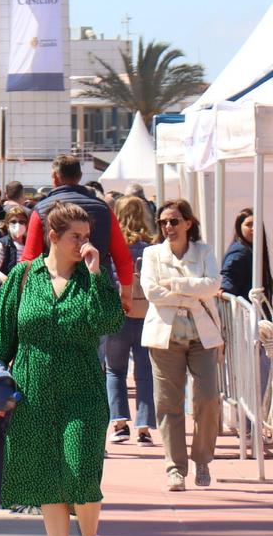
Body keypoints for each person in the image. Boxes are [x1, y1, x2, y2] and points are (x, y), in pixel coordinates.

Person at [0, 201, 125, 536]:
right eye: (76, 237)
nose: (84, 244)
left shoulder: (92, 276)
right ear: (53, 237)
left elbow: (109, 320)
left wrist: (94, 275)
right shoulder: (24, 277)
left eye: (87, 237)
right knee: (45, 479)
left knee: (81, 472)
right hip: (33, 392)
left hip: (83, 392)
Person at [141, 198, 224, 492]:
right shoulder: (152, 254)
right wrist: (193, 288)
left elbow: (214, 285)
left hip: (202, 337)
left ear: (188, 223)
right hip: (165, 339)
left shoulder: (204, 251)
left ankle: (202, 459)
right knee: (167, 404)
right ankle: (175, 468)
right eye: (163, 221)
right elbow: (151, 291)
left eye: (174, 221)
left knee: (207, 399)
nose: (168, 226)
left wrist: (175, 285)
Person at [22, 155, 137, 313]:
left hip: (55, 293)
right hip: (98, 292)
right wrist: (126, 294)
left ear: (55, 177)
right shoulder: (104, 209)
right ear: (80, 177)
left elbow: (29, 259)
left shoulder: (41, 210)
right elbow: (122, 257)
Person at [100, 196, 155, 446]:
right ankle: (144, 427)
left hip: (117, 312)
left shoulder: (112, 246)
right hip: (146, 313)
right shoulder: (152, 246)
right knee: (145, 371)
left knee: (115, 370)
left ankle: (120, 423)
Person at [220, 207, 270, 305]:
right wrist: (224, 288)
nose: (254, 228)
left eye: (256, 224)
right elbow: (229, 275)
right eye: (248, 225)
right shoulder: (239, 251)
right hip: (244, 315)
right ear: (239, 228)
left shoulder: (252, 250)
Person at [0, 203, 30, 287]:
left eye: (22, 222)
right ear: (7, 224)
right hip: (5, 291)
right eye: (13, 222)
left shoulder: (29, 244)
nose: (18, 225)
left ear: (26, 224)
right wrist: (8, 281)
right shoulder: (3, 244)